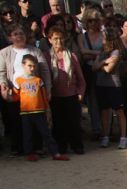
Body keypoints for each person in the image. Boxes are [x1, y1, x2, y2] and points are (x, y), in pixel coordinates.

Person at [0, 23, 52, 156]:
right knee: (15, 120)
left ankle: (37, 146)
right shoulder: (4, 53)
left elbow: (45, 70)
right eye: (15, 34)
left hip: (33, 92)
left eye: (21, 33)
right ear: (10, 37)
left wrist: (48, 88)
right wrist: (3, 86)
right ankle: (17, 147)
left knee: (36, 120)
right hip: (15, 91)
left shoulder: (35, 51)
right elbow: (2, 72)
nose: (19, 36)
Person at [10, 54, 67, 161]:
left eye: (34, 66)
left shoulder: (38, 80)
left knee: (46, 133)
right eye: (29, 66)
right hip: (25, 113)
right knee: (28, 134)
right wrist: (9, 94)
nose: (32, 68)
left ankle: (55, 153)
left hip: (39, 111)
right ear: (23, 65)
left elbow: (44, 96)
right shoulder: (19, 81)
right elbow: (16, 97)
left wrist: (47, 109)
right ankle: (29, 153)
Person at [46, 26, 86, 155]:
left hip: (71, 94)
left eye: (61, 38)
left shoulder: (72, 56)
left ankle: (77, 145)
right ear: (50, 40)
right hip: (55, 95)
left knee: (73, 122)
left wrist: (80, 92)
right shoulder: (46, 57)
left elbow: (80, 78)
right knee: (58, 123)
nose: (58, 42)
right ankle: (61, 146)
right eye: (55, 39)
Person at [93, 27, 127, 149]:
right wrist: (104, 62)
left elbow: (108, 69)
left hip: (114, 86)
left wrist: (100, 64)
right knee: (104, 112)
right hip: (101, 85)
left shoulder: (116, 52)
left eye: (103, 37)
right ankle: (105, 136)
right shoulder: (102, 52)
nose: (101, 39)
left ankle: (123, 137)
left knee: (119, 111)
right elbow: (94, 67)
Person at [78, 8, 103, 142]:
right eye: (90, 20)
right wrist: (98, 53)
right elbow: (82, 52)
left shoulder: (104, 35)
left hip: (104, 70)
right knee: (93, 102)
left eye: (96, 20)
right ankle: (96, 129)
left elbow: (107, 51)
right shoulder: (82, 36)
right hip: (89, 72)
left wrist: (92, 55)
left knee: (104, 100)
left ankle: (106, 130)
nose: (93, 23)